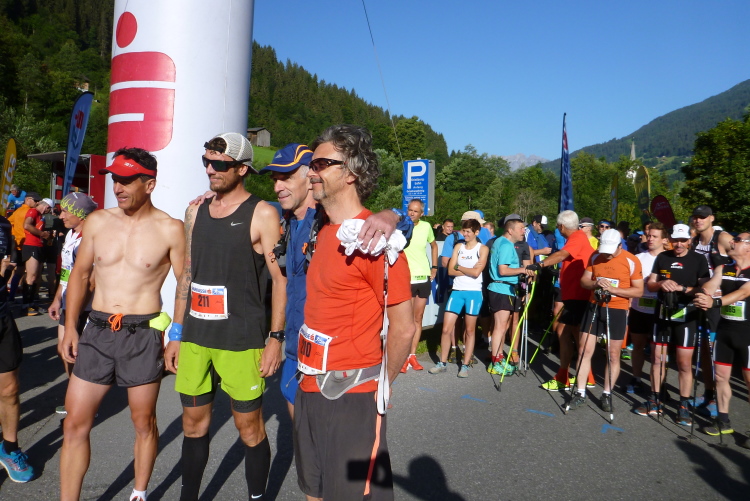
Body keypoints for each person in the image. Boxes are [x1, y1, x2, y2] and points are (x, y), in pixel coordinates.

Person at [192, 143, 408, 417]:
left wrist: (394, 214)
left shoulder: (327, 218)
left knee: (327, 438)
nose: (277, 187)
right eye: (275, 179)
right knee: (302, 437)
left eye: (286, 177)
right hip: (295, 350)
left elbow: (381, 224)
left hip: (332, 362)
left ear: (310, 178)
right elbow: (242, 205)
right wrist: (217, 196)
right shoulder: (283, 216)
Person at [294, 124, 414, 501]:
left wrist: (382, 386)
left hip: (353, 394)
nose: (311, 172)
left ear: (351, 173)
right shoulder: (319, 228)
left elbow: (404, 329)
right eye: (311, 165)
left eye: (321, 164)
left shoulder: (377, 244)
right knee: (313, 491)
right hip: (308, 386)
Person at [164, 133, 285, 501]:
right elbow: (187, 273)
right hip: (195, 336)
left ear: (242, 169)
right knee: (192, 425)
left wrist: (275, 339)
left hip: (240, 339)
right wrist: (176, 332)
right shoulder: (195, 211)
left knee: (248, 428)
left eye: (219, 164)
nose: (210, 169)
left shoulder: (262, 213)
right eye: (206, 162)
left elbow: (280, 280)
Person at [59, 148, 185, 501]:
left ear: (150, 184)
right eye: (116, 179)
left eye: (128, 180)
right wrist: (71, 326)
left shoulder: (171, 229)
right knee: (74, 422)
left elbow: (185, 285)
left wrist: (176, 335)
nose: (118, 187)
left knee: (143, 422)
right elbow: (80, 274)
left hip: (142, 333)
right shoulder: (98, 221)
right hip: (97, 330)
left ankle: (139, 493)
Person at [633, 224, 709, 425]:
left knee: (684, 363)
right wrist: (661, 284)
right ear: (670, 240)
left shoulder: (698, 259)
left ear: (689, 241)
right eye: (676, 240)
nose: (679, 244)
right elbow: (651, 284)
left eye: (683, 240)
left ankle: (683, 405)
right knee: (657, 359)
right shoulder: (662, 257)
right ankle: (655, 399)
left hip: (686, 316)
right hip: (662, 314)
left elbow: (704, 288)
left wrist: (683, 289)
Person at [567, 229, 643, 411]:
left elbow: (638, 290)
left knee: (613, 354)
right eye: (604, 250)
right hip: (594, 306)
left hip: (617, 309)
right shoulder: (595, 256)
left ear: (619, 246)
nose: (606, 255)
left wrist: (614, 290)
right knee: (584, 350)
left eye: (610, 251)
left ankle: (607, 394)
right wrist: (595, 283)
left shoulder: (631, 260)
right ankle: (580, 393)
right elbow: (584, 281)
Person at [694, 232, 750, 444]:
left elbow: (743, 293)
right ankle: (723, 421)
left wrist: (715, 303)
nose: (732, 241)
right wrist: (704, 294)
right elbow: (711, 284)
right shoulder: (723, 268)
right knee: (720, 377)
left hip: (747, 333)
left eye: (738, 240)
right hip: (725, 330)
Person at [47, 193, 98, 415]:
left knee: (78, 354)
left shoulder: (91, 238)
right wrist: (58, 298)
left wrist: (75, 312)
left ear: (80, 214)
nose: (61, 216)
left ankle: (84, 404)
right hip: (69, 303)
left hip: (85, 306)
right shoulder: (71, 233)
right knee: (63, 350)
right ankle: (75, 397)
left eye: (66, 211)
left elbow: (91, 281)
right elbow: (67, 272)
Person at [0, 214, 35, 483]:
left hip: (2, 315)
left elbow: (10, 259)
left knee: (10, 389)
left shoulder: (3, 224)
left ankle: (10, 448)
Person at [429, 218, 487, 377]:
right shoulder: (458, 247)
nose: (465, 234)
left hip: (473, 292)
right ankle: (442, 362)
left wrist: (459, 267)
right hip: (457, 290)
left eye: (468, 232)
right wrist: (467, 269)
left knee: (469, 330)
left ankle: (465, 365)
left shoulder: (482, 249)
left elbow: (477, 273)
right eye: (464, 231)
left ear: (476, 232)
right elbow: (450, 271)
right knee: (446, 329)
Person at [690, 204, 732, 418]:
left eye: (703, 217)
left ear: (712, 218)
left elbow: (742, 261)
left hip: (719, 303)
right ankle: (708, 393)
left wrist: (726, 284)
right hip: (700, 299)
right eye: (696, 217)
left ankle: (718, 398)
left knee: (715, 350)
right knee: (704, 350)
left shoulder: (722, 238)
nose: (698, 220)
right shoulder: (694, 241)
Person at [485, 217, 535, 375]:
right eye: (521, 228)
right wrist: (523, 270)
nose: (524, 231)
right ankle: (495, 362)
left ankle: (499, 358)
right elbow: (503, 270)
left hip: (502, 288)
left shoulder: (500, 242)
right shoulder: (506, 245)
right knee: (500, 327)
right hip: (502, 288)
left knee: (502, 325)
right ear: (510, 230)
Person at [626, 222, 668, 395]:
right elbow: (629, 283)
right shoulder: (638, 258)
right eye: (649, 236)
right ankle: (636, 378)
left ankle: (660, 385)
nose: (650, 239)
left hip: (660, 310)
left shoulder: (669, 258)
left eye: (655, 236)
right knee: (638, 346)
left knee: (659, 351)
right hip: (639, 308)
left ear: (664, 240)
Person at [402, 199, 437, 373]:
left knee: (418, 318)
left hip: (423, 277)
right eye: (410, 210)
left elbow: (434, 245)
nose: (412, 213)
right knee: (406, 320)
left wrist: (434, 267)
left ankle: (412, 355)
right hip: (406, 278)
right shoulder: (401, 225)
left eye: (415, 211)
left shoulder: (426, 226)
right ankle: (402, 357)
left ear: (421, 213)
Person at [22, 196, 52, 315]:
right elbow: (27, 225)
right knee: (31, 276)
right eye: (49, 209)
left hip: (38, 246)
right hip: (31, 246)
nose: (48, 212)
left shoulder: (40, 215)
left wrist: (45, 235)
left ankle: (31, 302)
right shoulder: (33, 211)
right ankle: (26, 305)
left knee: (36, 276)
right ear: (46, 206)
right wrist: (42, 234)